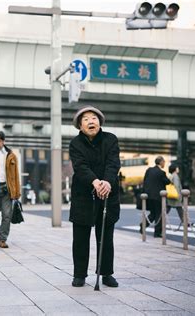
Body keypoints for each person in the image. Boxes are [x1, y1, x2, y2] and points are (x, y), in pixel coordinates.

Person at [69, 106, 121, 288]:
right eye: (86, 119)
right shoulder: (75, 144)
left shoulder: (111, 139)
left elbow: (113, 163)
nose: (91, 121)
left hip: (108, 193)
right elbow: (80, 166)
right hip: (84, 195)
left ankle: (106, 273)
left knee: (106, 237)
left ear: (100, 121)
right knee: (81, 237)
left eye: (94, 118)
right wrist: (95, 182)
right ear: (80, 126)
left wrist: (107, 182)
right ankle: (79, 274)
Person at [142, 156, 171, 237]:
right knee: (159, 214)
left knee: (153, 213)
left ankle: (143, 226)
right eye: (164, 162)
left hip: (148, 196)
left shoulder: (149, 170)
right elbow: (167, 182)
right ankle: (157, 233)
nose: (164, 163)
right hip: (158, 197)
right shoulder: (161, 173)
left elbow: (145, 181)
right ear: (161, 162)